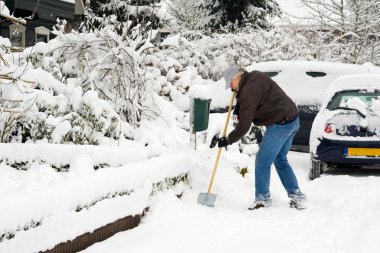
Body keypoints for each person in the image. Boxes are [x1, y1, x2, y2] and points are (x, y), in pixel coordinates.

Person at [217, 66, 307, 210]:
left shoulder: (247, 92)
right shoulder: (254, 76)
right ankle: (297, 195)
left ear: (236, 77)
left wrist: (228, 139)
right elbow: (255, 97)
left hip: (281, 124)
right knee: (280, 159)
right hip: (293, 119)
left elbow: (245, 125)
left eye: (230, 83)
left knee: (262, 161)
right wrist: (239, 105)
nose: (230, 87)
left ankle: (262, 199)